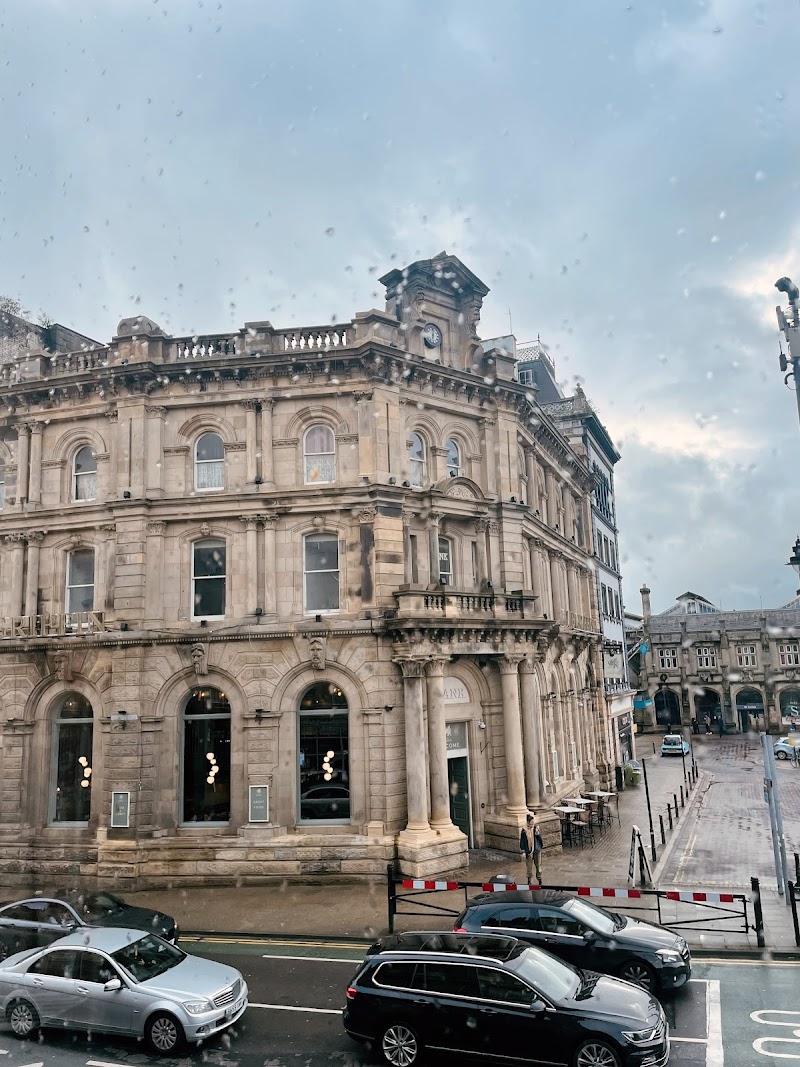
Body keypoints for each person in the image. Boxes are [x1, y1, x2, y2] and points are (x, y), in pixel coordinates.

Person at [519, 813, 543, 884]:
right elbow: (522, 841)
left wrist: (537, 834)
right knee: (529, 867)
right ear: (528, 823)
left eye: (533, 822)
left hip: (536, 850)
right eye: (531, 822)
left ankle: (539, 879)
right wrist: (523, 851)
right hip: (528, 851)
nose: (533, 824)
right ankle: (529, 880)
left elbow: (540, 840)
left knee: (538, 866)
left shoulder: (535, 829)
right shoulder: (524, 831)